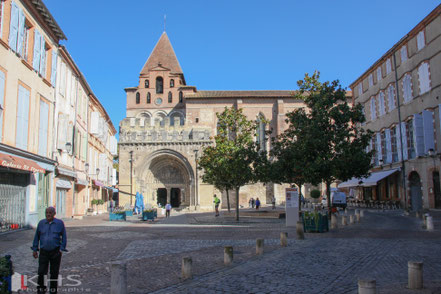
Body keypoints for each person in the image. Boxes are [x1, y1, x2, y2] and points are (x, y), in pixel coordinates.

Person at [31, 207, 67, 294]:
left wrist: (61, 249)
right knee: (41, 272)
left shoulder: (59, 223)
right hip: (43, 252)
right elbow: (37, 237)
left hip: (55, 252)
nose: (48, 214)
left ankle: (53, 291)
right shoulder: (41, 223)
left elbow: (64, 237)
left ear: (54, 213)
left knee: (54, 273)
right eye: (46, 212)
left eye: (50, 212)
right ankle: (41, 291)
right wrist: (35, 249)